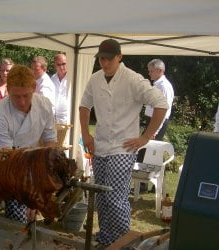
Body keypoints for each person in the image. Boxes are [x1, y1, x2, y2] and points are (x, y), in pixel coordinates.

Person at [79, 39, 168, 247]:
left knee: (115, 198)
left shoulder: (133, 79)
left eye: (109, 59)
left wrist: (145, 137)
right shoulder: (95, 79)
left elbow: (161, 104)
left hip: (123, 147)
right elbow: (84, 106)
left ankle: (123, 242)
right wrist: (86, 135)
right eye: (101, 58)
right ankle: (105, 239)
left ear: (119, 57)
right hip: (100, 146)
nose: (104, 62)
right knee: (101, 196)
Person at [0, 64, 57, 223]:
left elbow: (50, 141)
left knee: (19, 222)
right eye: (16, 96)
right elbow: (11, 158)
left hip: (27, 166)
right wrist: (31, 194)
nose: (22, 102)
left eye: (26, 95)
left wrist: (40, 182)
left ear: (34, 88)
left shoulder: (44, 105)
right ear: (8, 90)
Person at [144, 59, 174, 140]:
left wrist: (155, 131)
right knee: (143, 150)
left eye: (151, 71)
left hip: (157, 123)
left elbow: (164, 109)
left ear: (160, 71)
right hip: (152, 121)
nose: (149, 73)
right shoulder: (158, 84)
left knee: (148, 151)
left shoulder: (164, 86)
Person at [51, 53, 69, 124]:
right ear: (54, 65)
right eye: (58, 64)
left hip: (68, 119)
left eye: (64, 64)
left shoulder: (72, 78)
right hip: (54, 118)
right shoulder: (52, 79)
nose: (61, 67)